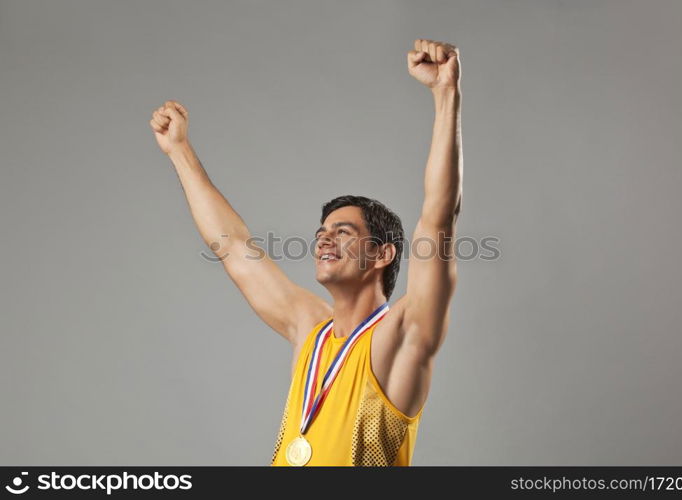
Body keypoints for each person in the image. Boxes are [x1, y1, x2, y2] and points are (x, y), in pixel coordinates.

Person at [148, 38, 463, 466]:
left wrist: (446, 94)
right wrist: (180, 152)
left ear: (383, 255)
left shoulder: (400, 336)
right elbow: (233, 248)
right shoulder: (309, 327)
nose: (324, 240)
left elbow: (438, 218)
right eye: (321, 232)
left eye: (344, 232)